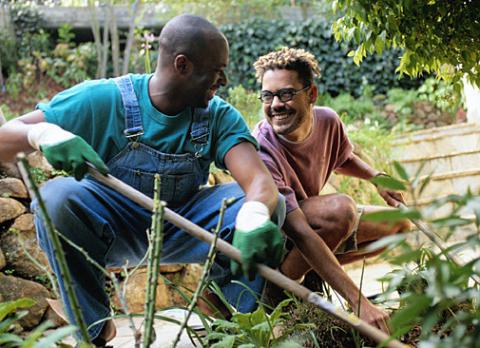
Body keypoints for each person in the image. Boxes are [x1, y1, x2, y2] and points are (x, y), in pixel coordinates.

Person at [0, 15, 285, 346]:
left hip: (185, 223)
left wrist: (254, 217)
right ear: (182, 65)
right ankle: (94, 331)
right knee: (55, 199)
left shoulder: (218, 115)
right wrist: (42, 133)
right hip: (113, 226)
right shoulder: (102, 100)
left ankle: (234, 328)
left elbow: (260, 183)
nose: (222, 79)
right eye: (217, 69)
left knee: (267, 207)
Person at [252, 47, 411, 333]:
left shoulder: (327, 120)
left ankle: (313, 272)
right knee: (340, 211)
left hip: (313, 223)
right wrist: (359, 301)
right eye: (268, 95)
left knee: (399, 225)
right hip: (282, 235)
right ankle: (281, 288)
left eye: (286, 94)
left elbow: (344, 158)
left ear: (311, 94)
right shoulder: (262, 146)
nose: (275, 104)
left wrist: (377, 178)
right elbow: (297, 227)